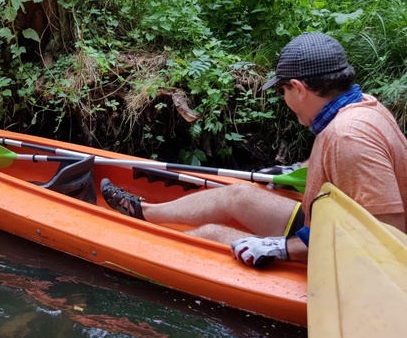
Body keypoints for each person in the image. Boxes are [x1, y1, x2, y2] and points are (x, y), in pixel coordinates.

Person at [101, 32, 407, 267]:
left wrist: (281, 248)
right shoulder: (364, 107)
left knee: (211, 233)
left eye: (283, 90)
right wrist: (300, 170)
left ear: (298, 88)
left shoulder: (347, 136)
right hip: (327, 226)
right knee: (238, 194)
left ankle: (139, 260)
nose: (284, 99)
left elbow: (385, 237)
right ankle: (145, 212)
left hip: (354, 262)